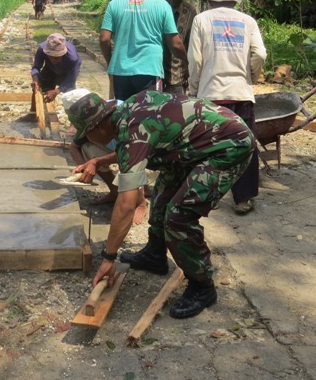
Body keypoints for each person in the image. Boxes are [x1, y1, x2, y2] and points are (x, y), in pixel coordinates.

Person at [66, 91, 254, 319]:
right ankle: (155, 255)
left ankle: (202, 286)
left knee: (178, 216)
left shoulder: (132, 131)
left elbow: (125, 206)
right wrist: (98, 160)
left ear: (97, 129)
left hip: (228, 146)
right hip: (198, 144)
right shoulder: (128, 113)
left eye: (87, 136)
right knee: (162, 198)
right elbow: (136, 146)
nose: (88, 141)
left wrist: (109, 257)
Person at [187, 0, 266, 215]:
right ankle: (243, 199)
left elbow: (196, 60)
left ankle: (204, 195)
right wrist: (250, 75)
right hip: (241, 94)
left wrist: (194, 89)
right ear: (233, 0)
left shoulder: (202, 20)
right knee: (245, 146)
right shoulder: (248, 21)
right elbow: (260, 54)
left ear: (211, 0)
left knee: (208, 146)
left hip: (212, 94)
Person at [100, 0, 187, 101]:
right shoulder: (162, 6)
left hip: (120, 71)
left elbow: (104, 39)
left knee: (123, 113)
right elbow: (175, 44)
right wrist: (187, 61)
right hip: (149, 71)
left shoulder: (114, 4)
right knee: (147, 115)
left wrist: (111, 63)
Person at [61, 90, 149, 223]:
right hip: (127, 149)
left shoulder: (126, 120)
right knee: (88, 149)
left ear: (98, 127)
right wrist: (83, 166)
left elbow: (131, 155)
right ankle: (115, 192)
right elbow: (74, 147)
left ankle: (141, 202)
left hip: (153, 154)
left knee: (127, 169)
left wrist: (96, 162)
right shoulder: (93, 115)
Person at [162, 0, 197, 95]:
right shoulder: (157, 5)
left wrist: (188, 70)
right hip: (154, 74)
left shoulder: (190, 12)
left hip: (176, 75)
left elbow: (191, 43)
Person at [31, 33, 82, 103]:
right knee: (40, 89)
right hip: (49, 69)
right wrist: (35, 79)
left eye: (57, 57)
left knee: (70, 96)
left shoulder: (72, 58)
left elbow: (70, 81)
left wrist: (56, 91)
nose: (53, 60)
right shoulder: (41, 49)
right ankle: (35, 111)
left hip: (66, 71)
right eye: (51, 56)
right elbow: (36, 67)